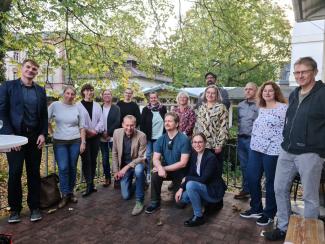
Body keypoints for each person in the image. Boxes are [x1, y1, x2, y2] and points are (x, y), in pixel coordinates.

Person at [264, 57, 325, 241]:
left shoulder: (323, 94)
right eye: (297, 72)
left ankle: (309, 233)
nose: (300, 76)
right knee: (279, 188)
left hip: (311, 153)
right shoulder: (293, 93)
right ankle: (283, 227)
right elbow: (289, 119)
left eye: (304, 72)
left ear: (314, 72)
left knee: (310, 197)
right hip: (287, 150)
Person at [0, 59, 48, 223]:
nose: (31, 70)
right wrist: (10, 137)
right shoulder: (8, 87)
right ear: (22, 68)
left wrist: (43, 133)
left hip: (35, 138)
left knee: (34, 173)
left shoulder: (40, 91)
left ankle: (34, 207)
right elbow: (2, 113)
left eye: (34, 69)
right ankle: (15, 210)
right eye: (28, 67)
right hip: (15, 137)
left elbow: (44, 115)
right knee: (14, 173)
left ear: (36, 72)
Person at [240, 81, 287, 227]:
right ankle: (256, 208)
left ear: (276, 93)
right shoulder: (261, 107)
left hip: (272, 151)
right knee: (252, 178)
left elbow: (287, 128)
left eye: (270, 91)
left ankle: (269, 213)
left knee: (270, 182)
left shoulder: (283, 108)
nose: (267, 93)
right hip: (256, 148)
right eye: (265, 91)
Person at [175, 133, 226, 227]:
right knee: (183, 198)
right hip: (203, 187)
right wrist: (181, 188)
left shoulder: (211, 157)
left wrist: (186, 179)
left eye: (200, 142)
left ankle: (198, 216)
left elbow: (203, 179)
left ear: (205, 143)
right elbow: (190, 173)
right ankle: (204, 202)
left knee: (190, 185)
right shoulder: (194, 154)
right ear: (192, 144)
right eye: (194, 142)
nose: (197, 145)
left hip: (213, 191)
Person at [145, 112, 191, 214]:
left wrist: (163, 168)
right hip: (167, 170)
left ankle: (187, 193)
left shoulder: (184, 139)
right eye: (165, 121)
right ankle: (154, 201)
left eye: (170, 121)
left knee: (180, 204)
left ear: (177, 124)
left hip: (180, 172)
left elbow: (183, 163)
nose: (167, 123)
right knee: (155, 175)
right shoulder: (161, 139)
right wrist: (160, 168)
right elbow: (155, 158)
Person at [48, 86, 86, 208]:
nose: (70, 96)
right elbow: (46, 120)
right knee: (63, 167)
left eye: (72, 94)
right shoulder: (55, 105)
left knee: (72, 167)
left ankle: (70, 192)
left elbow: (82, 127)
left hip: (75, 141)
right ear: (63, 93)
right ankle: (64, 194)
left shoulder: (78, 108)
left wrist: (83, 142)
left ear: (75, 95)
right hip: (60, 142)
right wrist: (51, 133)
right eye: (68, 93)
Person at [112, 115, 146, 216]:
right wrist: (116, 171)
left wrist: (126, 167)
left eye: (132, 125)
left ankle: (140, 201)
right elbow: (114, 153)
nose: (129, 128)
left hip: (137, 164)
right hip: (123, 167)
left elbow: (141, 157)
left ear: (135, 125)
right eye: (127, 125)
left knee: (139, 171)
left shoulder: (142, 136)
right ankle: (141, 182)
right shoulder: (116, 133)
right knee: (126, 196)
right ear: (123, 124)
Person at [77, 84, 104, 197]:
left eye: (91, 90)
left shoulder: (97, 105)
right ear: (83, 92)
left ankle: (92, 184)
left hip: (95, 137)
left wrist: (95, 131)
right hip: (84, 138)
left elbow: (101, 121)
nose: (89, 92)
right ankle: (88, 185)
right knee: (86, 160)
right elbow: (78, 122)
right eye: (86, 90)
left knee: (93, 160)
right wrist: (88, 131)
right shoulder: (77, 105)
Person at [234, 82, 258, 200]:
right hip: (241, 138)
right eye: (246, 89)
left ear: (256, 91)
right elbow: (239, 121)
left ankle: (254, 192)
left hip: (253, 140)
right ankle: (246, 189)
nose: (248, 91)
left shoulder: (260, 105)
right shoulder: (240, 105)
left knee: (253, 167)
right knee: (244, 166)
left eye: (251, 89)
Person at [193, 85, 229, 165]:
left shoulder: (221, 108)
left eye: (213, 93)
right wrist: (194, 142)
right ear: (205, 94)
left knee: (214, 171)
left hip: (214, 145)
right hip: (201, 145)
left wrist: (220, 145)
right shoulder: (201, 108)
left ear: (217, 95)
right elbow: (197, 126)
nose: (210, 95)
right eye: (208, 92)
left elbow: (224, 128)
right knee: (201, 169)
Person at [140, 92, 167, 180]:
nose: (153, 99)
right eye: (151, 98)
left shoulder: (163, 108)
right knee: (147, 155)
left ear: (157, 98)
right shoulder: (145, 109)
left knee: (157, 156)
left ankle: (156, 171)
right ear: (149, 99)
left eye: (155, 97)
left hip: (159, 137)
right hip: (148, 137)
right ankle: (148, 172)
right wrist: (144, 137)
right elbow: (142, 124)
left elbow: (166, 121)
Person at [100, 89, 120, 187]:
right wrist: (102, 133)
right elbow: (96, 121)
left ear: (111, 96)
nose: (107, 95)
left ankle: (117, 178)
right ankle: (107, 178)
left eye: (109, 94)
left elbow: (117, 121)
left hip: (113, 137)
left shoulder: (116, 108)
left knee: (116, 158)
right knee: (104, 159)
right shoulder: (99, 108)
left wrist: (108, 133)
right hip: (101, 137)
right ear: (102, 96)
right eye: (105, 94)